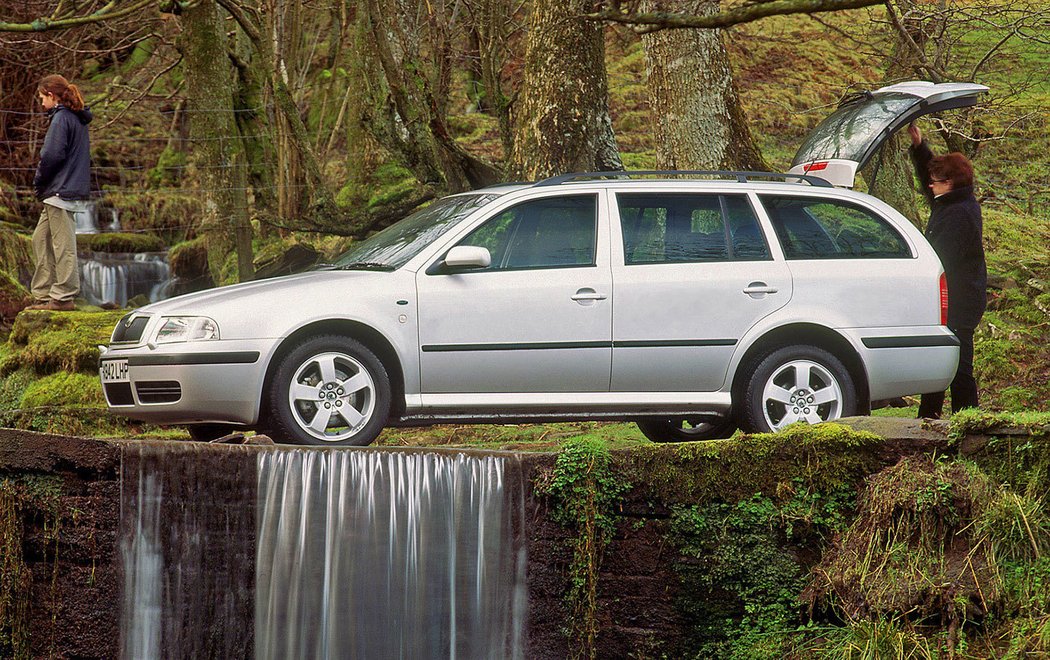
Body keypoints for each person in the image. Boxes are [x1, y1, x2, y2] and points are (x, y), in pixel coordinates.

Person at [908, 122, 987, 418]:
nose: (931, 185)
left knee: (957, 361)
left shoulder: (959, 215)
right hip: (953, 297)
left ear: (951, 183)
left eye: (937, 181)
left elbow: (940, 258)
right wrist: (919, 147)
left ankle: (967, 420)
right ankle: (929, 417)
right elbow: (930, 175)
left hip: (961, 300)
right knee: (941, 357)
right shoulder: (953, 202)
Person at [27, 74, 93, 312]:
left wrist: (39, 181)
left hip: (60, 191)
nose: (40, 103)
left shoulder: (62, 118)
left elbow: (52, 156)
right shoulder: (73, 118)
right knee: (40, 238)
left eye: (41, 98)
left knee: (62, 244)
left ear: (51, 95)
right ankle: (44, 294)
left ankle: (63, 296)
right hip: (61, 190)